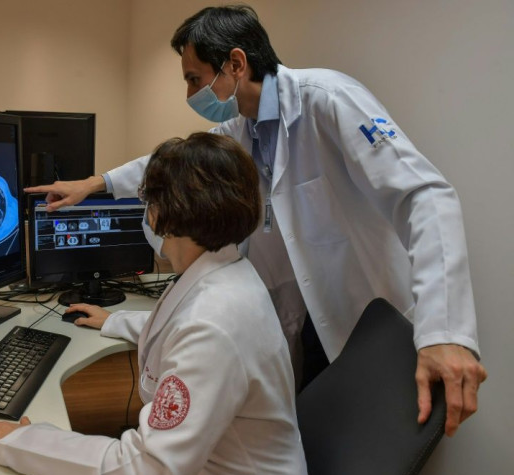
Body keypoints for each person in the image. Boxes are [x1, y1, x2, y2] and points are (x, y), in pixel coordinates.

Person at [25, 5, 487, 437]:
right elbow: (177, 161)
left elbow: (424, 195)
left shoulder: (329, 100)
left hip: (364, 311)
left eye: (194, 79)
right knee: (320, 440)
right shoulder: (242, 128)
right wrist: (97, 183)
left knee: (368, 449)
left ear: (236, 64)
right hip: (303, 316)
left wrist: (444, 331)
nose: (189, 95)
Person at [0, 132, 310, 475]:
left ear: (163, 213)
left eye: (146, 198)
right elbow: (183, 331)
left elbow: (143, 474)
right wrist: (116, 320)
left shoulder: (212, 326)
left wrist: (22, 444)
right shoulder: (228, 275)